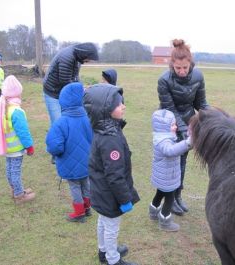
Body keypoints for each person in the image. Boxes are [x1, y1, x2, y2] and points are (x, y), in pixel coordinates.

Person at [83, 83, 140, 265]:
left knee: (103, 222)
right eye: (119, 104)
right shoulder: (110, 139)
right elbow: (114, 175)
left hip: (101, 191)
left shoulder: (106, 128)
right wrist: (124, 199)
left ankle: (104, 251)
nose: (123, 106)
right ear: (105, 109)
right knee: (111, 227)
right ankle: (112, 259)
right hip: (109, 194)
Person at [157, 39, 209, 215]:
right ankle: (169, 199)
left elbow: (201, 103)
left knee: (182, 161)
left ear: (190, 64)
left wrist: (210, 119)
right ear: (172, 65)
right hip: (168, 124)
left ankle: (177, 195)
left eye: (185, 68)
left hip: (188, 122)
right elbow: (169, 108)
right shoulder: (164, 80)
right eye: (177, 68)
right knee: (170, 163)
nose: (181, 71)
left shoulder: (198, 77)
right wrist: (184, 130)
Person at [43, 42, 98, 164]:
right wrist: (80, 90)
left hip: (64, 91)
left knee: (72, 121)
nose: (88, 61)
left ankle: (70, 148)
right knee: (58, 121)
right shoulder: (66, 58)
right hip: (52, 93)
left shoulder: (78, 58)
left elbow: (74, 77)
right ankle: (56, 153)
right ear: (85, 54)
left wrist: (81, 87)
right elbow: (66, 83)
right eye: (89, 59)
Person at [45, 82, 92, 223]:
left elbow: (54, 146)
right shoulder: (87, 119)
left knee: (75, 186)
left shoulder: (60, 123)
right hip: (87, 161)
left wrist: (54, 153)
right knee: (85, 183)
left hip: (69, 162)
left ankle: (79, 213)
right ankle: (87, 207)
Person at [0, 75, 35, 204]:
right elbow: (23, 132)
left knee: (9, 168)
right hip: (16, 147)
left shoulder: (0, 107)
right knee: (15, 170)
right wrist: (29, 146)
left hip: (5, 146)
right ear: (17, 94)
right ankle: (19, 195)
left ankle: (15, 190)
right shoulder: (16, 111)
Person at [149, 109, 191, 232]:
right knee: (169, 197)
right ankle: (165, 221)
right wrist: (188, 143)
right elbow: (171, 151)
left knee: (160, 193)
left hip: (164, 175)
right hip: (168, 176)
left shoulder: (162, 136)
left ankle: (153, 212)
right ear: (164, 127)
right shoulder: (164, 141)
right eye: (172, 125)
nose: (175, 127)